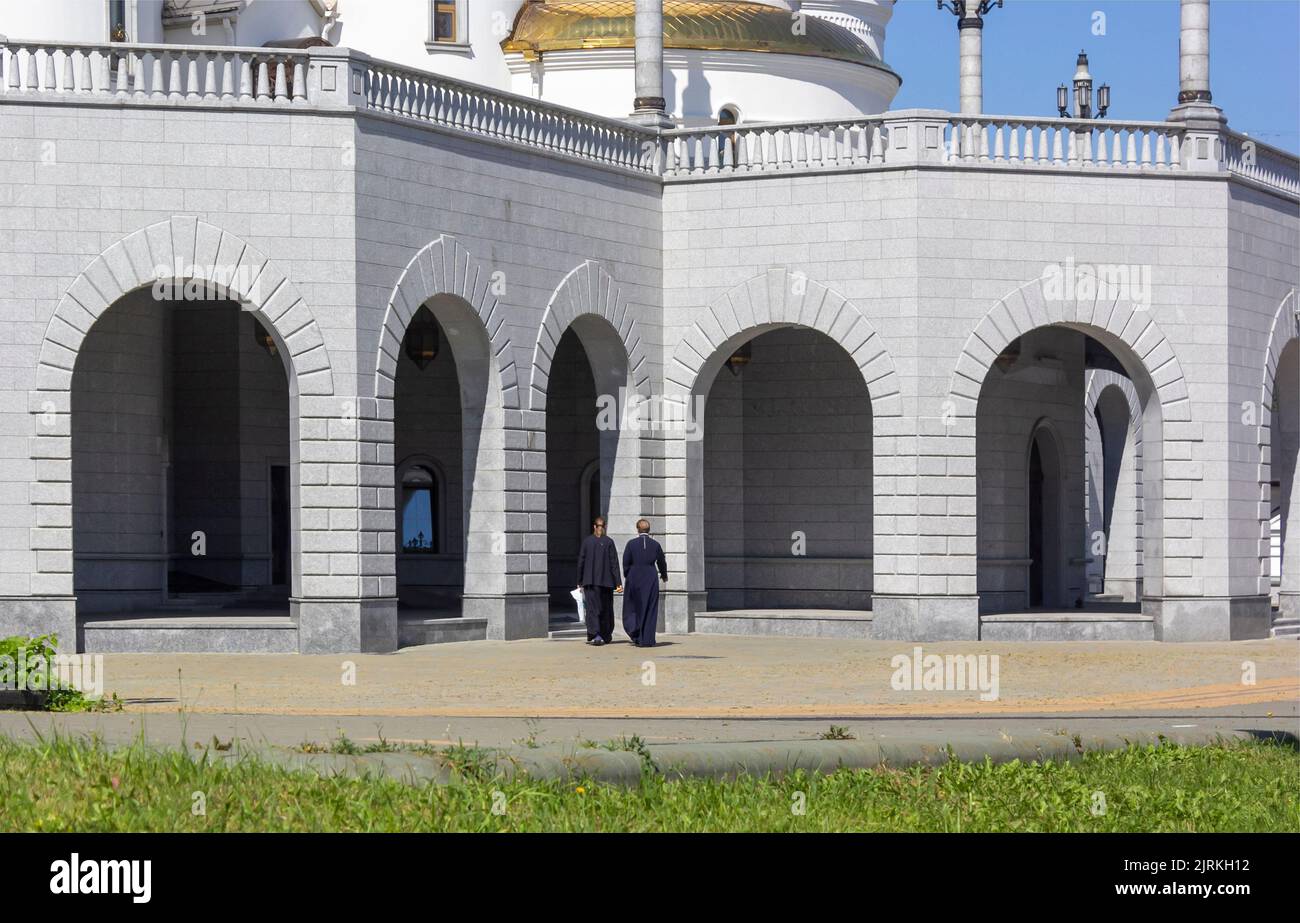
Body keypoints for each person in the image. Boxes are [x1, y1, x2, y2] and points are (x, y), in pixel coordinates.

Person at [621, 518, 668, 647]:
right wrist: (664, 575)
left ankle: (636, 634)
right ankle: (647, 639)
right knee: (650, 608)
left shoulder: (631, 544)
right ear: (649, 530)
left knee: (633, 607)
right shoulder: (656, 544)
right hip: (651, 577)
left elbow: (626, 562)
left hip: (634, 577)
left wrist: (628, 575)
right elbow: (661, 562)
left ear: (638, 529)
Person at [576, 515, 621, 646]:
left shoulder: (587, 542)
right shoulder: (609, 542)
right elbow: (614, 564)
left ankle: (595, 634)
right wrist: (618, 582)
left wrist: (579, 580)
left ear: (594, 527)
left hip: (590, 581)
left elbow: (581, 562)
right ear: (604, 527)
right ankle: (605, 634)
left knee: (592, 609)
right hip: (606, 582)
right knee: (605, 609)